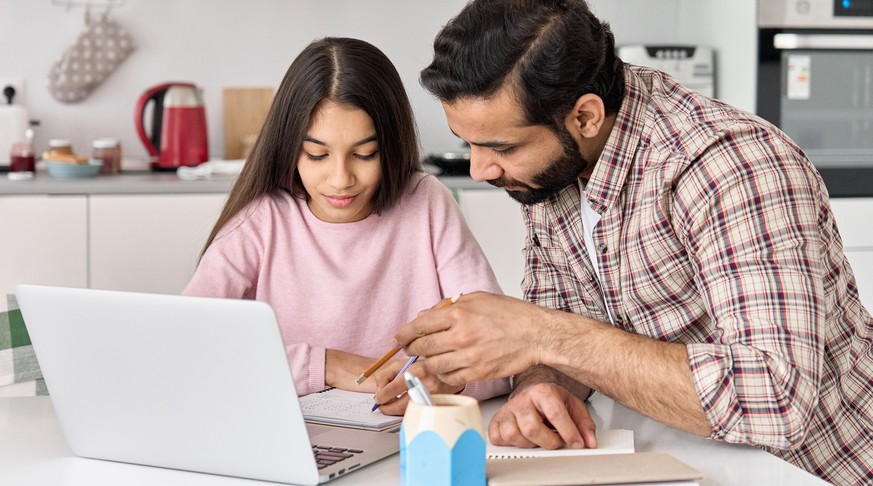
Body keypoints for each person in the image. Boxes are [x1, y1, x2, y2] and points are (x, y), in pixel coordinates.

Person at [385, 0, 873, 483]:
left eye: (502, 148)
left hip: (818, 471)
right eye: (468, 142)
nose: (479, 170)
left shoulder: (732, 166)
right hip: (681, 460)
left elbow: (776, 400)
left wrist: (539, 334)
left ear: (586, 117)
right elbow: (572, 324)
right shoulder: (555, 166)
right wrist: (541, 386)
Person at [184, 37, 509, 414]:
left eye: (364, 154)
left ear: (390, 146)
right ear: (290, 148)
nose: (340, 179)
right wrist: (325, 365)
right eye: (317, 155)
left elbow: (501, 352)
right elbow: (187, 344)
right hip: (293, 439)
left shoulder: (425, 201)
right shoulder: (263, 219)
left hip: (406, 435)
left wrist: (446, 379)